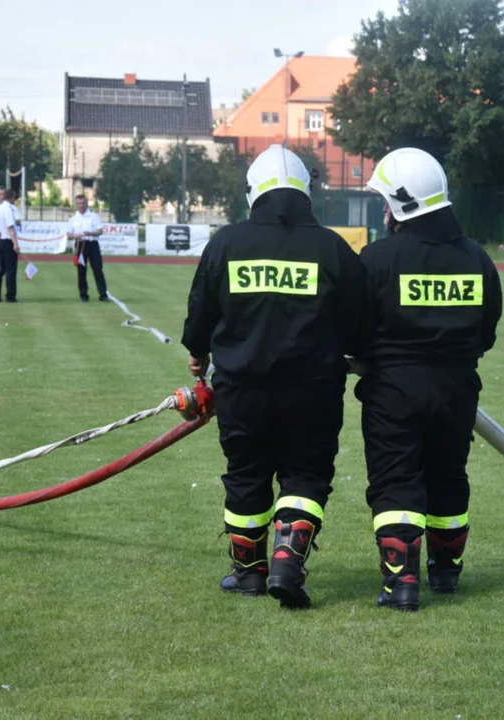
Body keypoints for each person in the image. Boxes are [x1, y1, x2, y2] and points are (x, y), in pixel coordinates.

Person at [181, 145, 366, 609]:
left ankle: (247, 574)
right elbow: (360, 319)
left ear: (252, 194)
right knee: (306, 474)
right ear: (306, 192)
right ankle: (287, 559)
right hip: (314, 390)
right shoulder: (331, 246)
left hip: (241, 390)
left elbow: (200, 307)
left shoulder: (226, 243)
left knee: (246, 475)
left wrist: (197, 354)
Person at [358, 147, 502, 612]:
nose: (383, 211)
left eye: (385, 201)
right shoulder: (478, 259)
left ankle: (400, 585)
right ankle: (446, 573)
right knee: (448, 478)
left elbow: (354, 331)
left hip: (393, 392)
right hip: (458, 390)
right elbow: (487, 332)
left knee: (396, 481)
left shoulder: (376, 259)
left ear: (402, 203)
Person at [67, 195, 110, 302]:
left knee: (97, 269)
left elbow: (100, 231)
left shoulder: (94, 216)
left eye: (83, 203)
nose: (81, 205)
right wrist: (74, 236)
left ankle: (103, 294)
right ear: (76, 204)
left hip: (92, 244)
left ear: (87, 203)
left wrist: (90, 233)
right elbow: (68, 234)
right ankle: (83, 295)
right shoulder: (73, 218)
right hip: (79, 245)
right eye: (79, 203)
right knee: (81, 271)